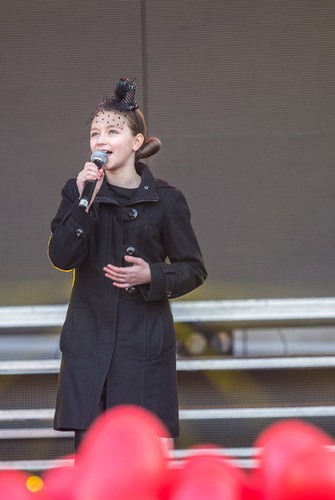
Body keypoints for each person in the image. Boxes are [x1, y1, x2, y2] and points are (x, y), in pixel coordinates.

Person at [48, 77, 207, 452]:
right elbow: (61, 256)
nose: (100, 141)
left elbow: (194, 268)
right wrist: (84, 204)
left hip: (142, 350)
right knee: (92, 463)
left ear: (136, 142)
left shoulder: (166, 200)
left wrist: (152, 274)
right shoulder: (77, 192)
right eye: (94, 133)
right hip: (89, 348)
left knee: (139, 461)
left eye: (112, 132)